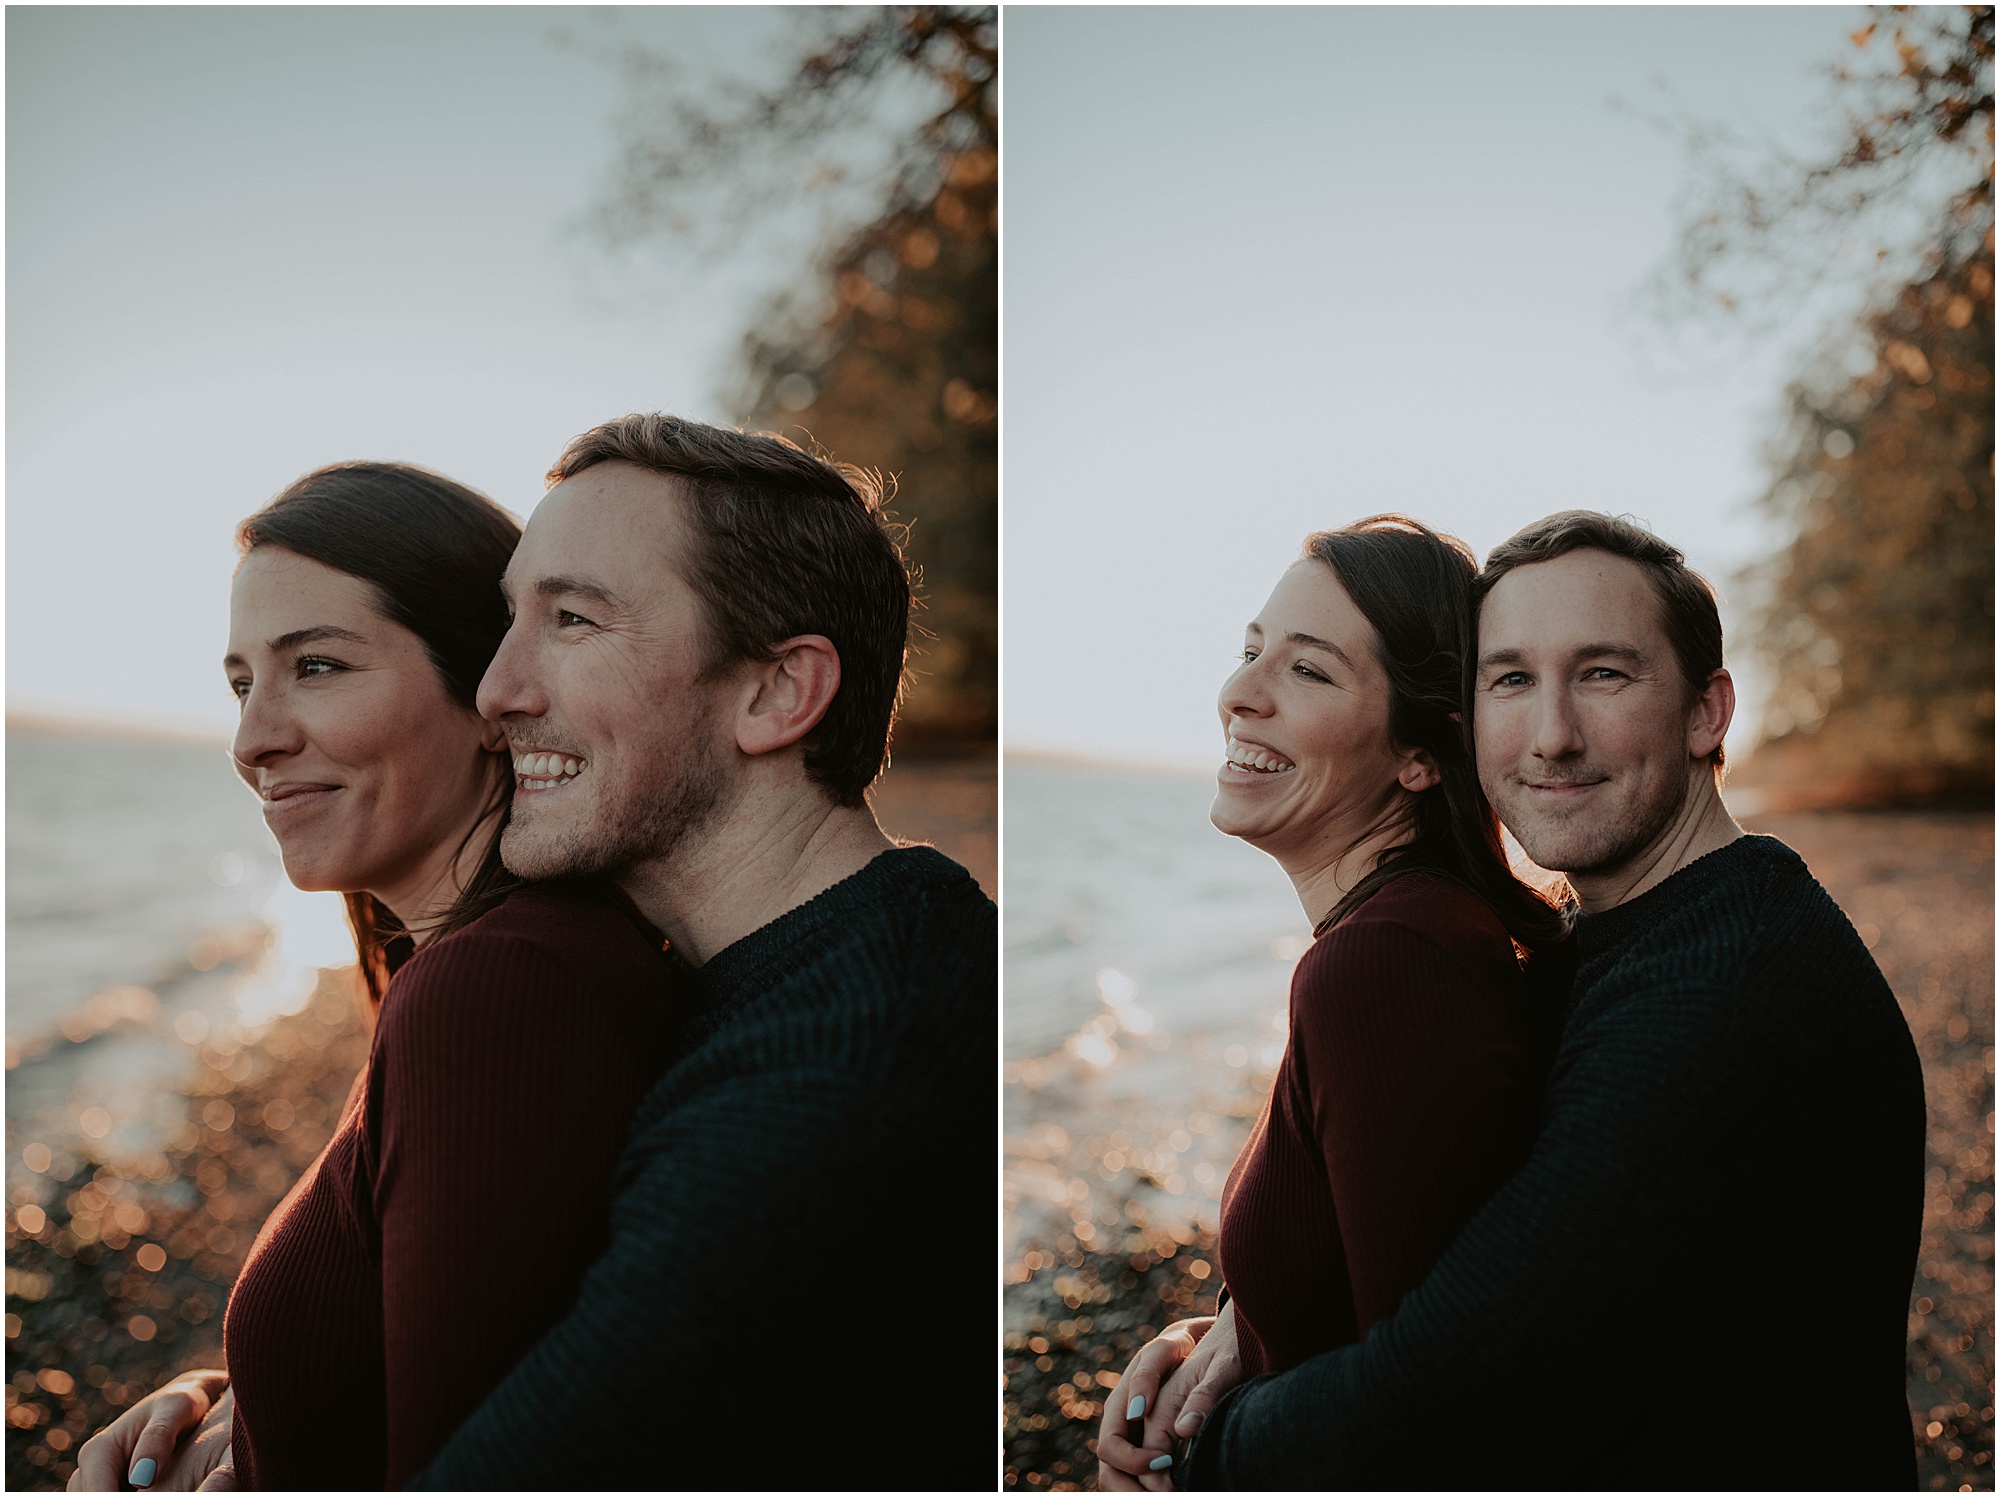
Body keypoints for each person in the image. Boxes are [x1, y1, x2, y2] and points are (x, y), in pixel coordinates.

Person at [1136, 511, 1926, 1490]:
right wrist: (1240, 1328)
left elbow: (1446, 1400)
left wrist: (1193, 1449)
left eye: (1603, 674)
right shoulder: (1597, 936)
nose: (1552, 736)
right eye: (1510, 679)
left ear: (1706, 713)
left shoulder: (1723, 998)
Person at [71, 463, 684, 1490]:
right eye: (242, 684)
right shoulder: (473, 969)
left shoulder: (499, 990)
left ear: (491, 691)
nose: (254, 740)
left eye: (315, 666)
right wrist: (248, 1412)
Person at [1096, 517, 1572, 1491]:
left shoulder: (1386, 966)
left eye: (1308, 670)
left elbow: (1426, 1416)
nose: (1240, 693)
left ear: (1420, 754)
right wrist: (1233, 1329)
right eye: (1250, 651)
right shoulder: (1410, 933)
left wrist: (1203, 1470)